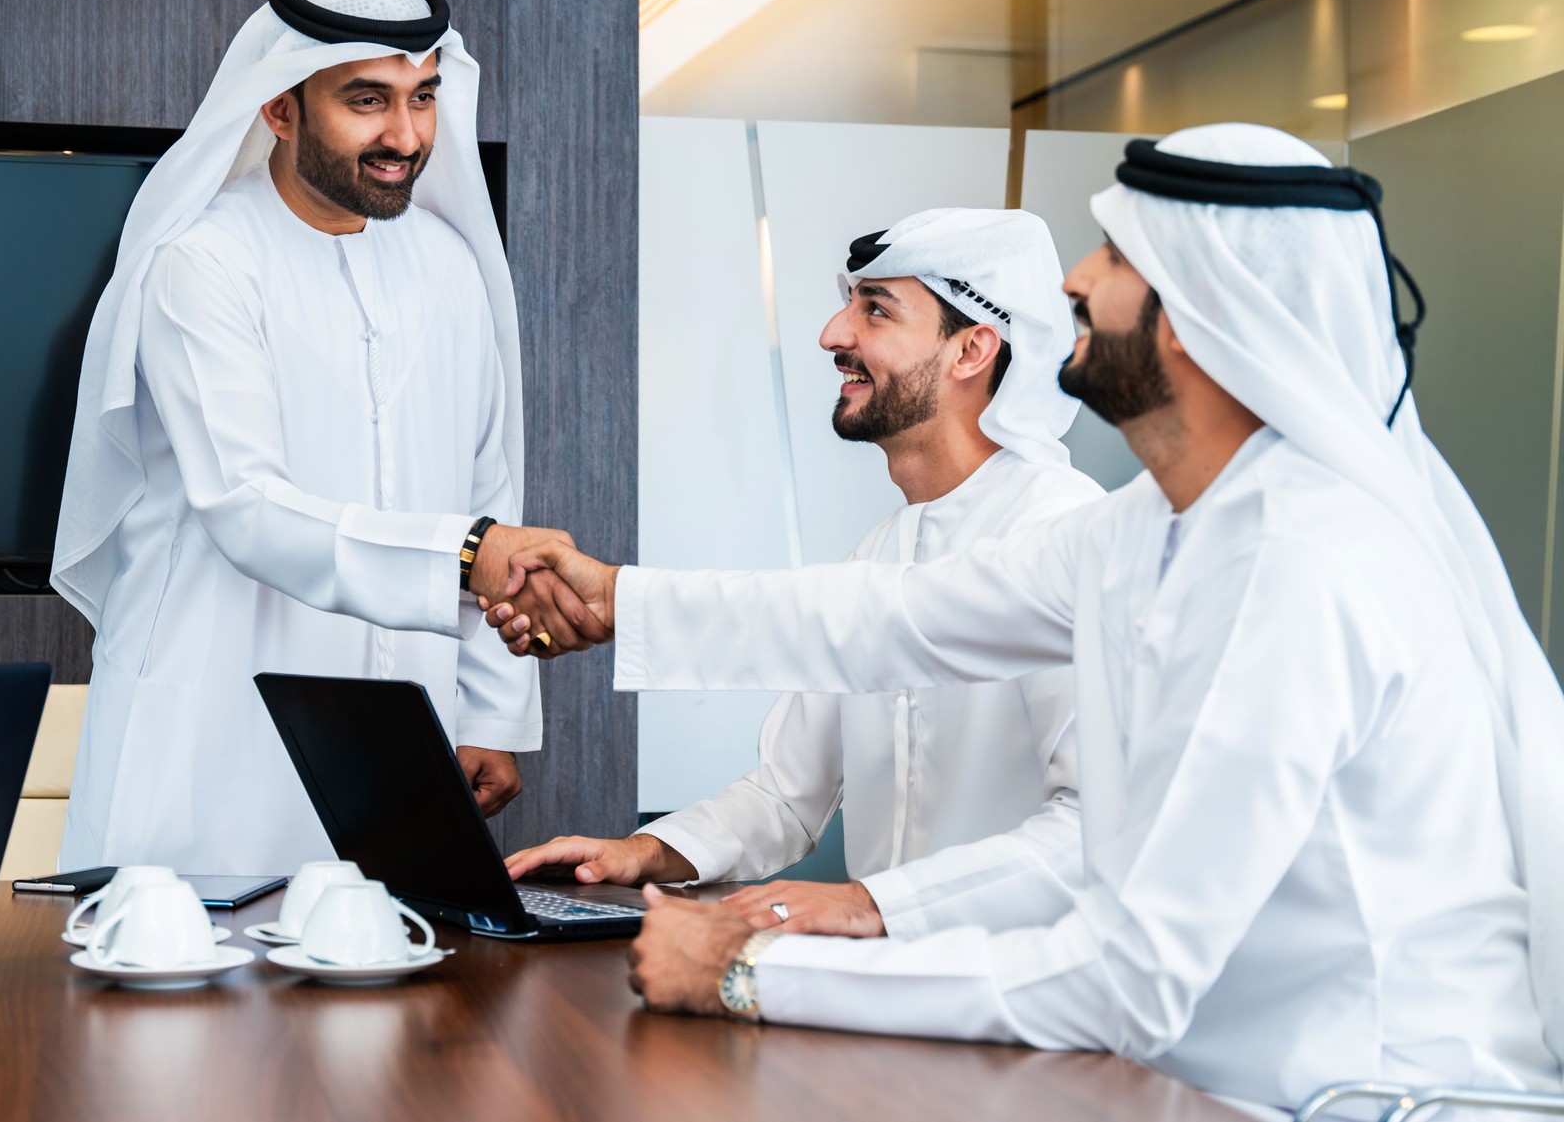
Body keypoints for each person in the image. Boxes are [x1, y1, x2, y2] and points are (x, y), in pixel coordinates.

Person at [487, 125, 1564, 1112]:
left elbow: (1128, 972)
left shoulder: (1299, 563)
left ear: (1200, 317)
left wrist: (757, 967)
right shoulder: (1154, 527)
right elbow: (892, 621)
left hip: (1368, 1100)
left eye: (1115, 258)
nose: (1075, 282)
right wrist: (616, 595)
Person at [49, 0, 599, 875]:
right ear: (278, 107)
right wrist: (469, 556)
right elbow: (248, 506)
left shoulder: (449, 266)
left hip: (397, 738)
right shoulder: (203, 263)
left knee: (377, 1003)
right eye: (367, 100)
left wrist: (492, 707)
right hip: (213, 735)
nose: (407, 134)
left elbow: (488, 489)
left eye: (422, 97)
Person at [502, 210, 1102, 941]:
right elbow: (787, 793)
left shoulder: (1067, 534)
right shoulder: (882, 550)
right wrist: (644, 852)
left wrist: (872, 905)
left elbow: (1092, 832)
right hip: (887, 1006)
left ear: (972, 348)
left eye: (875, 309)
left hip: (1019, 1012)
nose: (832, 334)